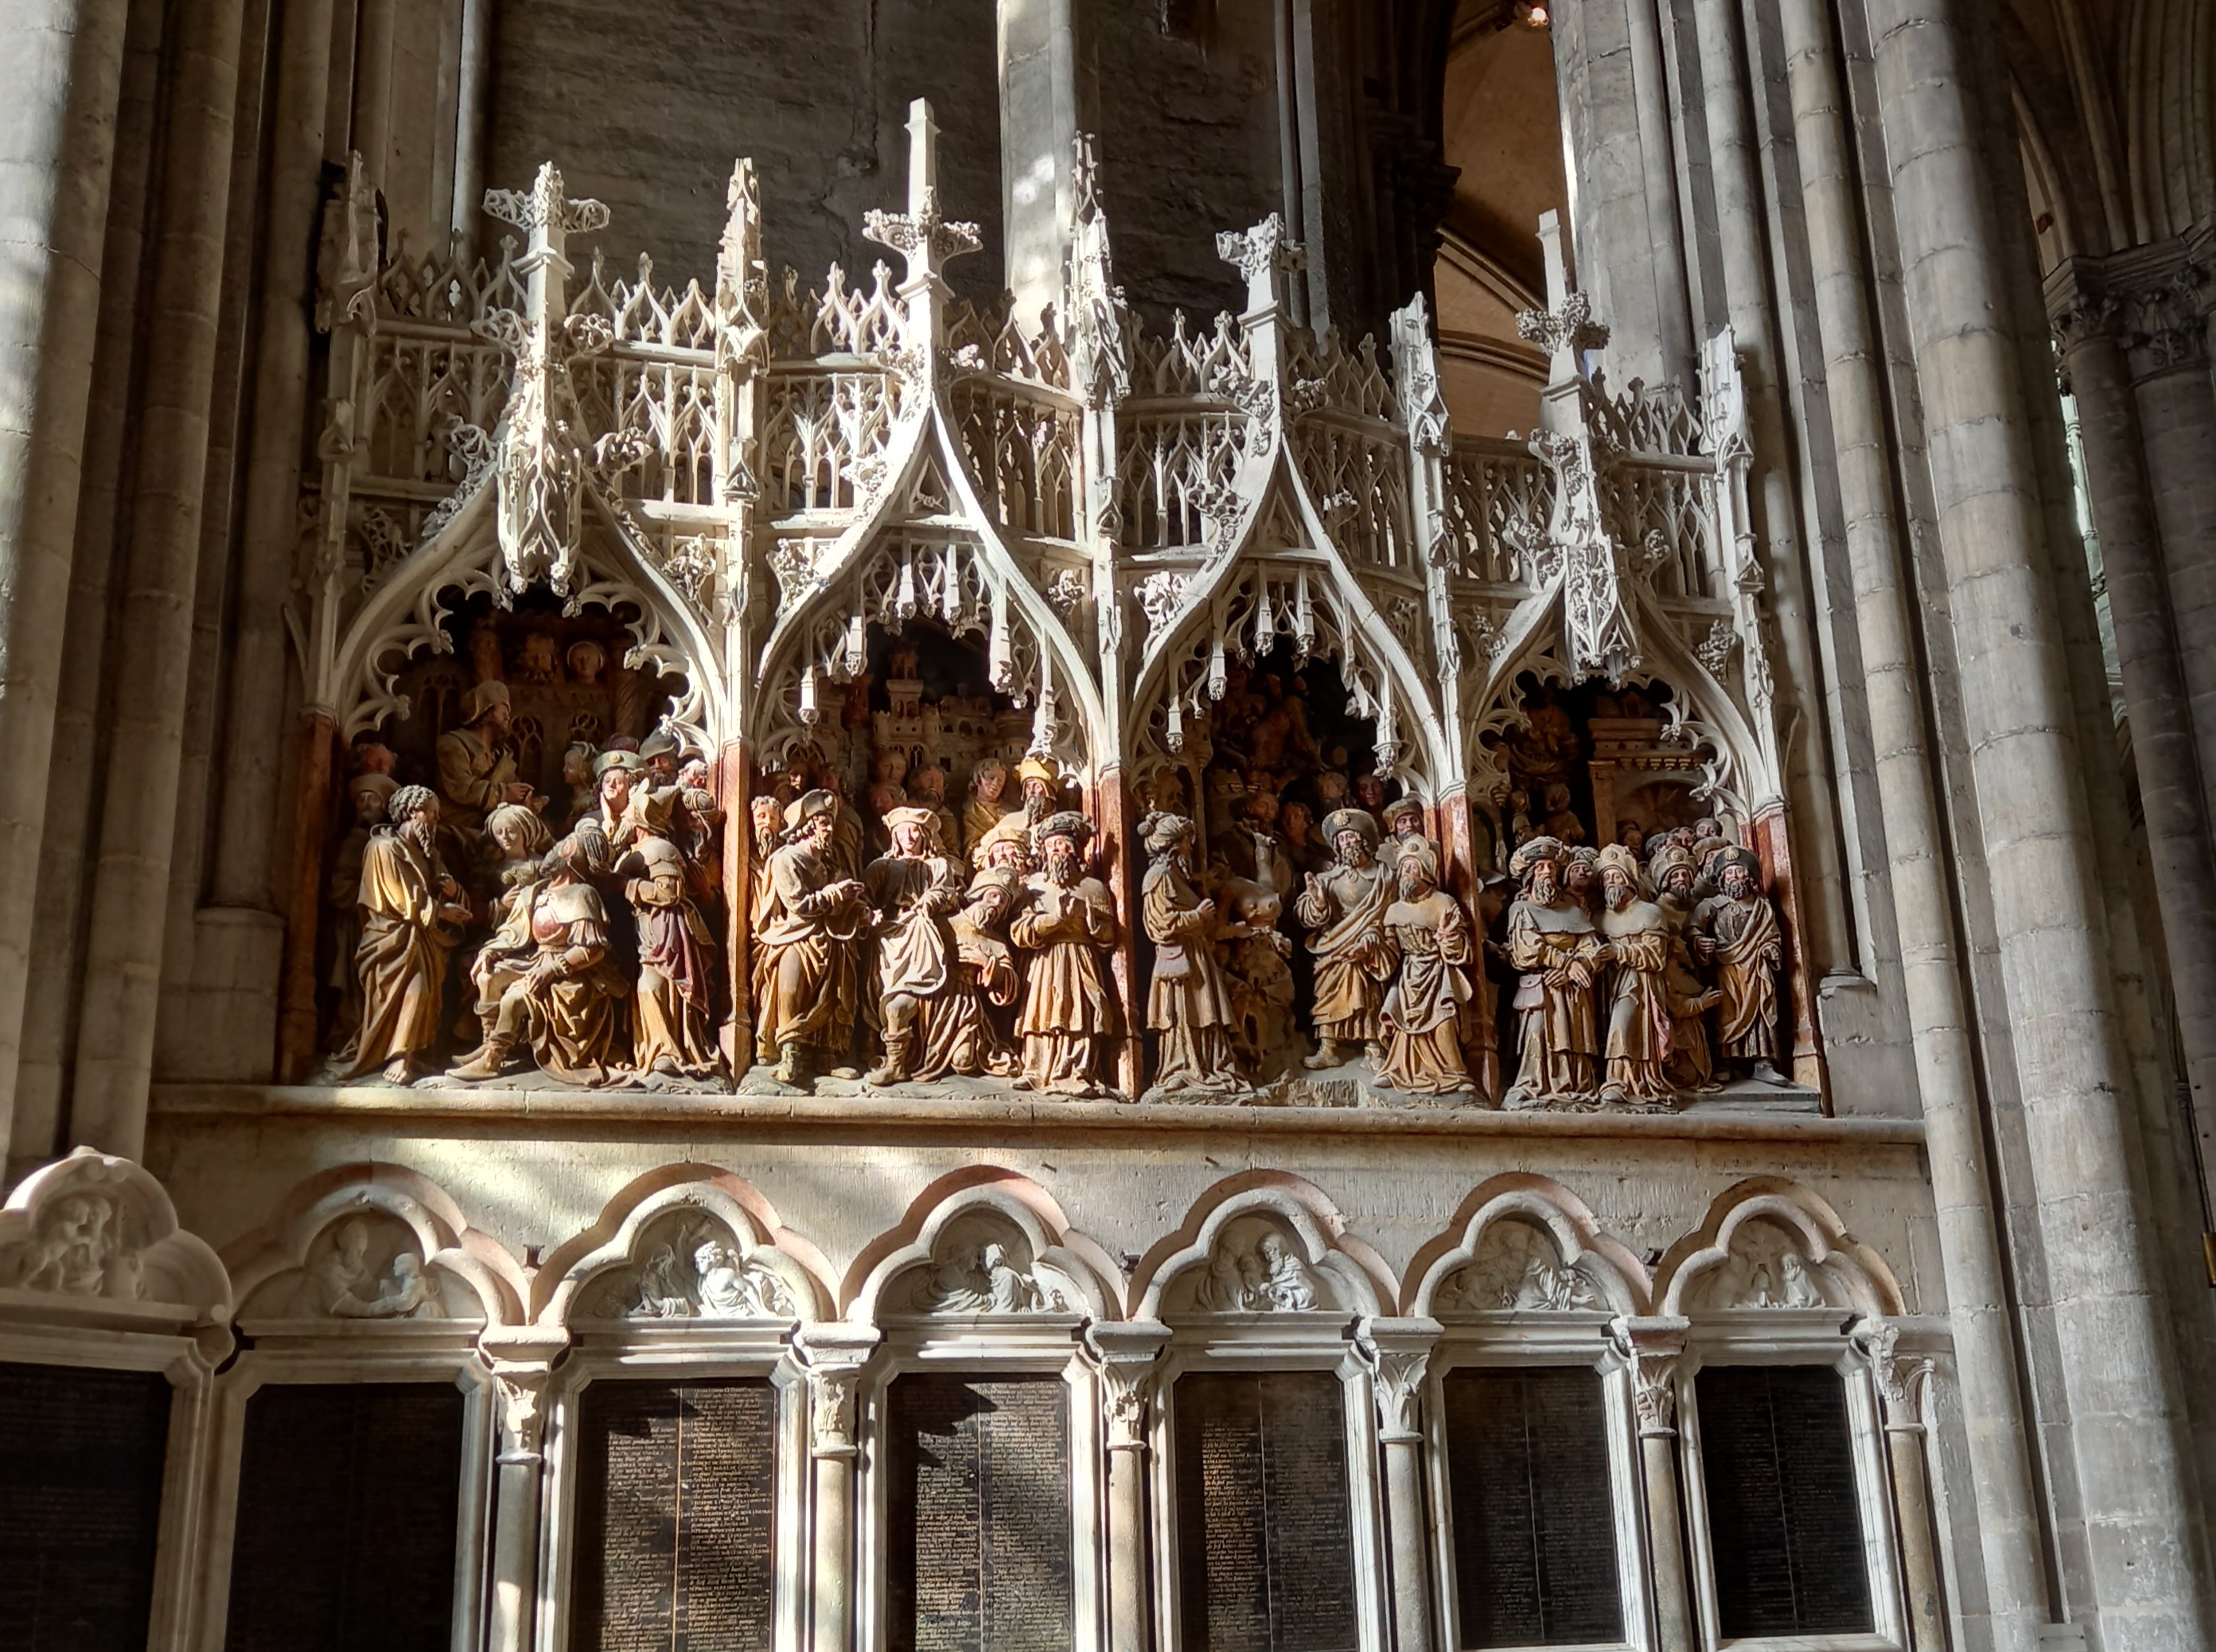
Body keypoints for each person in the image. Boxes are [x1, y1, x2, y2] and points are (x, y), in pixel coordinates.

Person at [450, 832, 629, 1085]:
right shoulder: (537, 891)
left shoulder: (582, 894)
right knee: (488, 977)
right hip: (534, 959)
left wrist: (552, 969)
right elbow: (513, 931)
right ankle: (488, 1042)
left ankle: (492, 1061)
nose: (556, 847)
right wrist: (491, 951)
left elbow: (593, 949)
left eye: (564, 845)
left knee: (514, 998)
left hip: (569, 971)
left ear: (572, 857)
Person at [337, 785, 472, 1082]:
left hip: (423, 937)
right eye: (432, 813)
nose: (436, 819)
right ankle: (397, 1057)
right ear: (412, 812)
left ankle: (411, 1053)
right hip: (391, 937)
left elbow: (446, 888)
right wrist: (441, 911)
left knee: (427, 998)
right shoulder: (382, 848)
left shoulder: (428, 853)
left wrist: (454, 894)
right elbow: (399, 898)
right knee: (414, 991)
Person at [1008, 813, 1120, 1094]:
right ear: (1044, 852)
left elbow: (1109, 935)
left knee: (1080, 1013)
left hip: (1081, 957)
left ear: (1075, 848)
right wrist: (1054, 920)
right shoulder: (1033, 888)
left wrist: (1091, 921)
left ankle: (1078, 1071)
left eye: (1062, 844)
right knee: (1042, 1012)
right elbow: (1019, 932)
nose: (1057, 850)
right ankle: (1036, 1070)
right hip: (1045, 960)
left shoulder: (1093, 888)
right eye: (1051, 845)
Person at [1141, 812, 1246, 1093]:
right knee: (1182, 1013)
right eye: (1187, 843)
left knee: (1203, 1012)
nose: (1190, 849)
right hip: (1179, 957)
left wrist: (1232, 929)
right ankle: (1181, 1067)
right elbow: (1159, 924)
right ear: (1174, 846)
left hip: (1196, 954)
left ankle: (1207, 1064)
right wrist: (1196, 916)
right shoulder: (1159, 877)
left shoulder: (1179, 878)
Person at [862, 805, 966, 1085]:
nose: (909, 836)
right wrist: (870, 913)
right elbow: (864, 898)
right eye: (902, 831)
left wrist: (931, 900)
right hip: (887, 938)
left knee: (903, 1001)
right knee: (881, 994)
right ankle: (873, 1046)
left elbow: (947, 893)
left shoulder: (938, 865)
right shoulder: (881, 866)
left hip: (920, 935)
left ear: (925, 835)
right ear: (894, 836)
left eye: (914, 830)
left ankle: (897, 1063)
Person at [1501, 836, 1605, 1105]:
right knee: (1537, 1033)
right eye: (1540, 867)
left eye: (1551, 867)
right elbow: (1526, 948)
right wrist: (1565, 962)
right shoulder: (1521, 909)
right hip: (1539, 985)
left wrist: (1577, 966)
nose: (1547, 872)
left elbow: (1593, 948)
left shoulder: (1572, 910)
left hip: (1572, 989)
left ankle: (1576, 1086)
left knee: (1575, 1038)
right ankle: (1534, 1084)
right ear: (1530, 875)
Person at [1374, 840, 1481, 1096]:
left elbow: (1461, 949)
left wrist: (1447, 936)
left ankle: (1454, 1073)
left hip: (1437, 971)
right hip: (1409, 973)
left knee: (1443, 1020)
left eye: (1412, 868)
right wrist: (1373, 953)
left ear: (1425, 873)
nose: (1405, 874)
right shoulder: (1394, 910)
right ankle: (1398, 1069)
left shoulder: (1443, 902)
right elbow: (1390, 951)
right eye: (1403, 869)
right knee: (1404, 1023)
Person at [1294, 808, 1393, 1068]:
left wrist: (1371, 938)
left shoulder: (1385, 877)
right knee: (1328, 991)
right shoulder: (1328, 879)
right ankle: (1328, 1048)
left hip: (1371, 945)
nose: (1346, 843)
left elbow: (1393, 914)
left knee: (1369, 992)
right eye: (1340, 839)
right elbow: (1305, 916)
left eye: (1350, 837)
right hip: (1333, 946)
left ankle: (1374, 1048)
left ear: (1364, 840)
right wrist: (1317, 901)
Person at [1696, 846, 1786, 1083]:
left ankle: (1763, 1062)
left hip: (1755, 966)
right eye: (1729, 873)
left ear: (1749, 876)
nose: (1734, 877)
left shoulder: (1762, 907)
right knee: (1727, 1013)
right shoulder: (1712, 905)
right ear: (1721, 878)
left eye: (1739, 872)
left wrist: (1770, 948)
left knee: (1759, 1012)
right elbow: (1692, 929)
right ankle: (1725, 1061)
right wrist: (1698, 942)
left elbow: (1772, 935)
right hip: (1725, 967)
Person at [1595, 843, 1675, 1103]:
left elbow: (1656, 956)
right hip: (1607, 984)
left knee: (1624, 1023)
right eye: (1606, 878)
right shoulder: (1598, 918)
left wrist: (1619, 952)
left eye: (1616, 876)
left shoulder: (1649, 913)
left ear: (1628, 880)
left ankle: (1622, 1081)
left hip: (1640, 983)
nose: (1611, 882)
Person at [435, 680, 533, 840]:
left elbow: (512, 789)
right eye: (503, 711)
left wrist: (524, 801)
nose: (508, 717)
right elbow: (461, 788)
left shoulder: (501, 756)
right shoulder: (453, 744)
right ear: (486, 713)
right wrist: (504, 794)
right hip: (458, 823)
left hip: (492, 821)